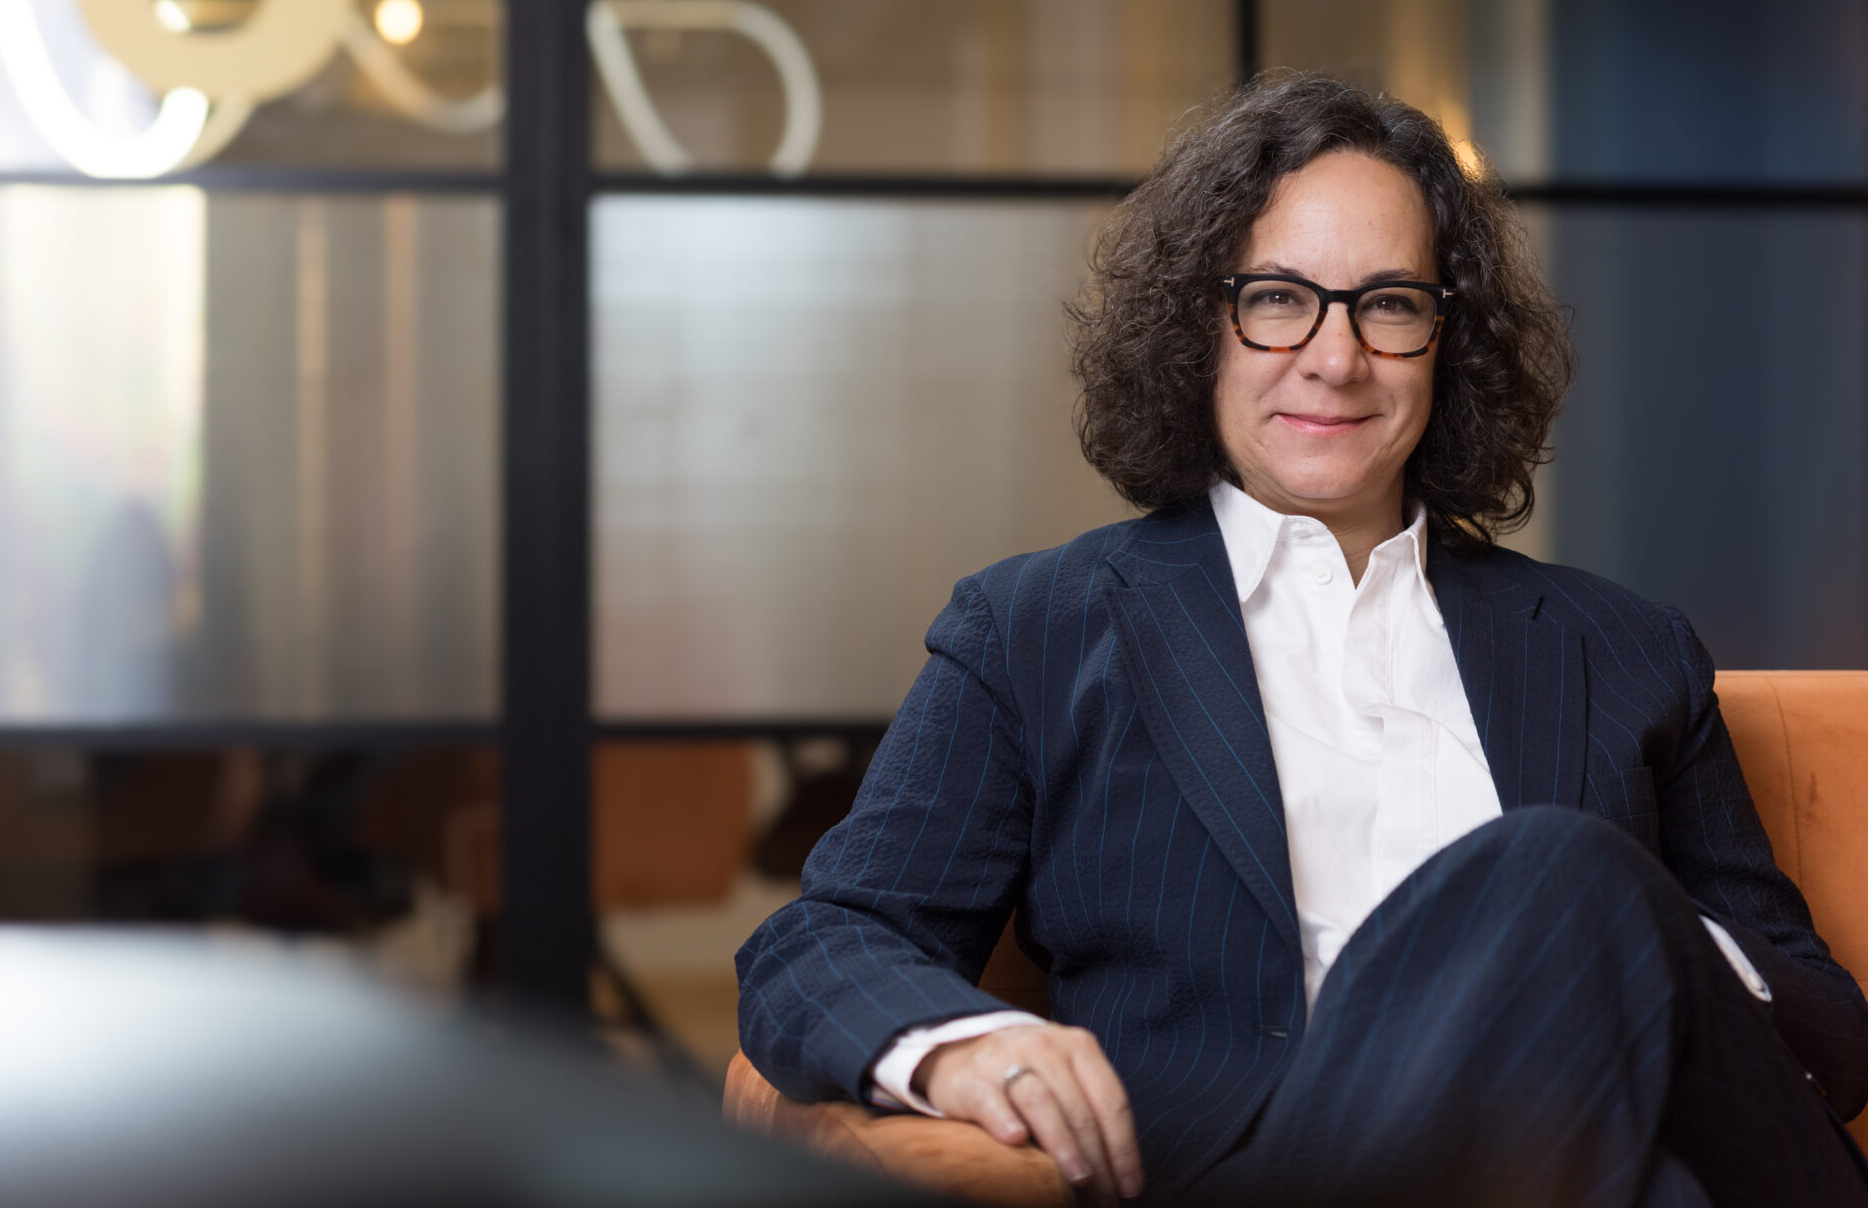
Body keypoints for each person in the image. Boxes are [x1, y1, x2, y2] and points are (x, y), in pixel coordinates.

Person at [734, 74, 1868, 1207]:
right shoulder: (1039, 629)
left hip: (1651, 1131)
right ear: (1200, 327)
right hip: (1261, 1171)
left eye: (1389, 303)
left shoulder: (1627, 648)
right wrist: (961, 1044)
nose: (1336, 358)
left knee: (1561, 883)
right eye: (1278, 298)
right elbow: (826, 942)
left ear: (1446, 340)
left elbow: (1830, 1037)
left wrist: (1628, 943)